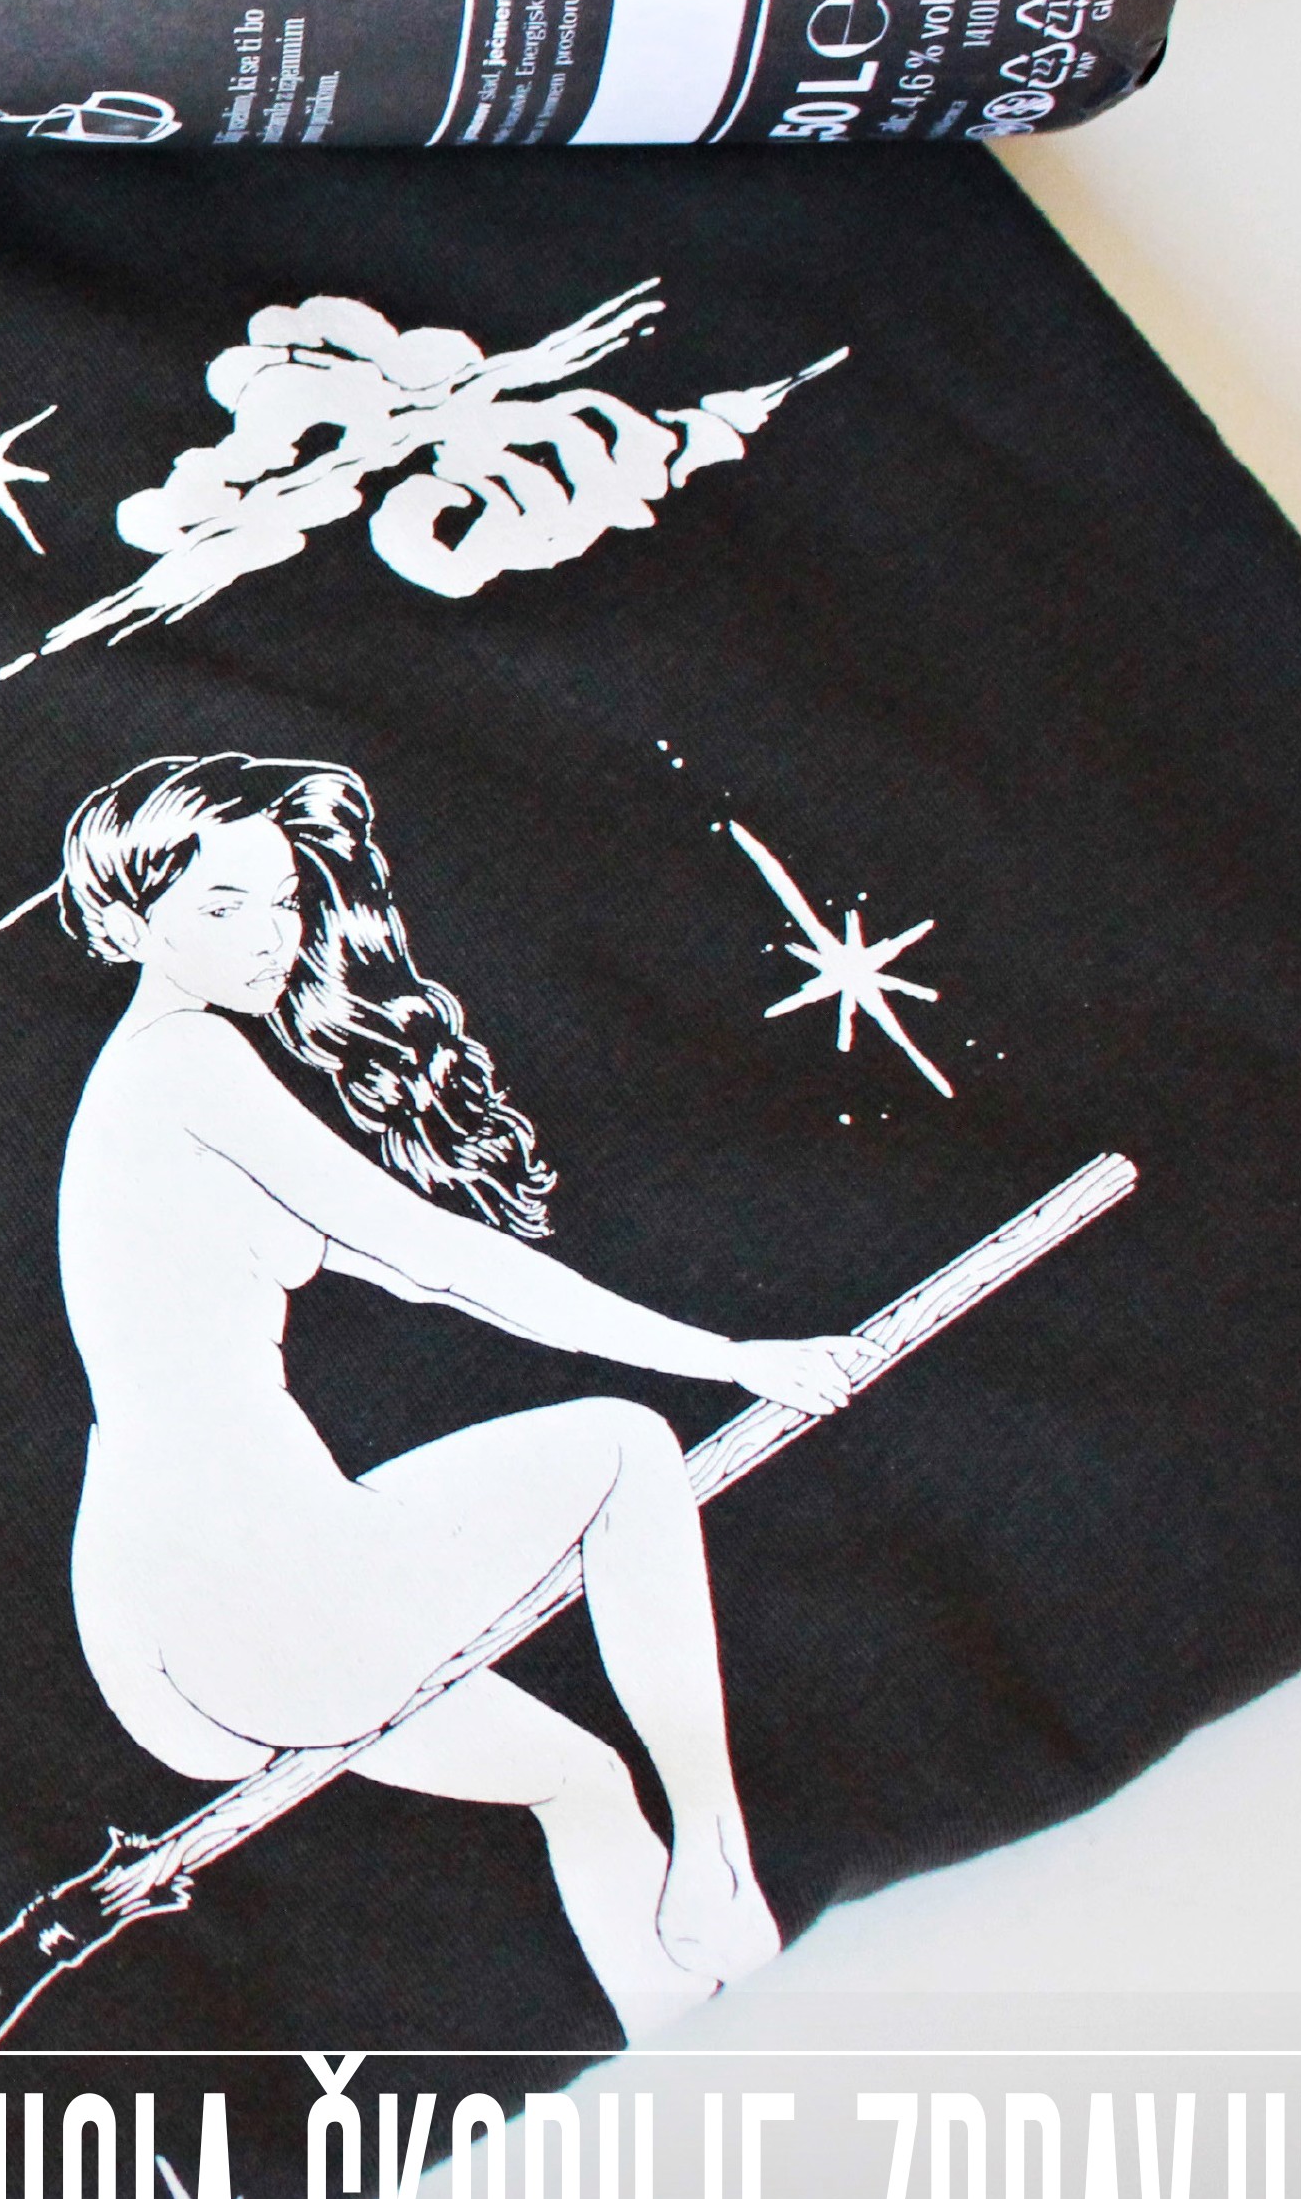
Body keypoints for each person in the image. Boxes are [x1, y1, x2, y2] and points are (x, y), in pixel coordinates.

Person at [50, 752, 854, 2032]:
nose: (268, 936)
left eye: (283, 901)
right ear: (127, 920)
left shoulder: (140, 1091)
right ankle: (714, 1845)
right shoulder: (182, 1062)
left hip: (164, 1625)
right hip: (254, 1584)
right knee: (625, 1445)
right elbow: (444, 1258)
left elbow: (426, 1274)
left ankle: (677, 2038)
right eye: (221, 906)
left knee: (579, 1780)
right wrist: (731, 1358)